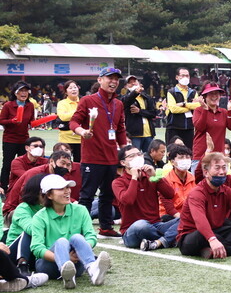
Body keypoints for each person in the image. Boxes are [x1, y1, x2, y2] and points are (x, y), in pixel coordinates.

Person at [70, 67, 127, 238]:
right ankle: (80, 229)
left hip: (111, 157)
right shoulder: (88, 100)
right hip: (92, 157)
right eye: (110, 78)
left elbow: (120, 129)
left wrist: (125, 150)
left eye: (116, 79)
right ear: (100, 79)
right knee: (86, 196)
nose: (114, 82)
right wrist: (82, 132)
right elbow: (74, 121)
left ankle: (105, 227)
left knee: (108, 195)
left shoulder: (119, 104)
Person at [31, 174, 112, 288]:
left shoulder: (81, 210)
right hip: (48, 266)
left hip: (76, 263)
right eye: (61, 189)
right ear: (49, 195)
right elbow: (37, 248)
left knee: (77, 238)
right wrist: (62, 257)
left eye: (67, 187)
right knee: (62, 242)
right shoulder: (39, 217)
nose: (67, 191)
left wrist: (82, 250)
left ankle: (92, 270)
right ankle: (67, 272)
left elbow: (91, 236)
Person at [113, 144, 179, 251]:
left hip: (156, 225)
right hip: (131, 229)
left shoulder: (150, 176)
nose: (137, 157)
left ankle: (160, 242)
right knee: (141, 225)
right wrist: (134, 177)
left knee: (186, 218)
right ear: (123, 163)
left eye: (139, 154)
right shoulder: (118, 182)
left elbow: (170, 194)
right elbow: (128, 201)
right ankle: (171, 237)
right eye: (132, 156)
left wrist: (156, 177)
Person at [192, 83, 231, 173]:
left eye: (217, 93)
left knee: (219, 183)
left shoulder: (223, 112)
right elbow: (200, 127)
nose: (214, 96)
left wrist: (230, 110)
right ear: (204, 96)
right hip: (201, 154)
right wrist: (205, 109)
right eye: (211, 94)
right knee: (199, 183)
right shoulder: (198, 110)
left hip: (219, 155)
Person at [0, 81, 35, 191]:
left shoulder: (30, 105)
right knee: (7, 164)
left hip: (24, 139)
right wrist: (12, 121)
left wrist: (37, 122)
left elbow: (31, 121)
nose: (24, 93)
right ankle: (3, 187)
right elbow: (1, 120)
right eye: (21, 91)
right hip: (10, 139)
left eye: (26, 91)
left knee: (24, 164)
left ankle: (21, 186)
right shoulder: (8, 105)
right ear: (15, 93)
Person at [165, 67, 200, 150]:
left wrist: (183, 104)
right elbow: (173, 109)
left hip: (189, 127)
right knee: (173, 151)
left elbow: (198, 106)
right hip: (174, 127)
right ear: (177, 77)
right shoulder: (171, 92)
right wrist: (190, 107)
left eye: (187, 76)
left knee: (189, 151)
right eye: (182, 75)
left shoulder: (193, 92)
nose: (185, 78)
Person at [122, 74, 158, 153]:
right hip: (134, 135)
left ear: (139, 83)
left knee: (149, 156)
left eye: (135, 81)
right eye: (130, 82)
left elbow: (153, 113)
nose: (133, 84)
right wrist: (135, 92)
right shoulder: (124, 98)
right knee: (134, 156)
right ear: (126, 86)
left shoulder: (147, 97)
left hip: (149, 134)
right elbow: (127, 101)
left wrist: (140, 111)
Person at [161, 144, 195, 217]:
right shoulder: (166, 180)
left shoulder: (194, 179)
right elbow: (169, 208)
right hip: (170, 217)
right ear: (172, 162)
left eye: (187, 157)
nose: (185, 160)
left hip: (189, 215)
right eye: (181, 157)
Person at [55, 80, 83, 162]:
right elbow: (63, 117)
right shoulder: (62, 103)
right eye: (70, 88)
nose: (74, 89)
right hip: (65, 140)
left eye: (75, 87)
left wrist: (71, 114)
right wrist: (79, 112)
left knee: (80, 164)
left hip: (81, 139)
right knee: (64, 162)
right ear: (66, 91)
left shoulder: (83, 101)